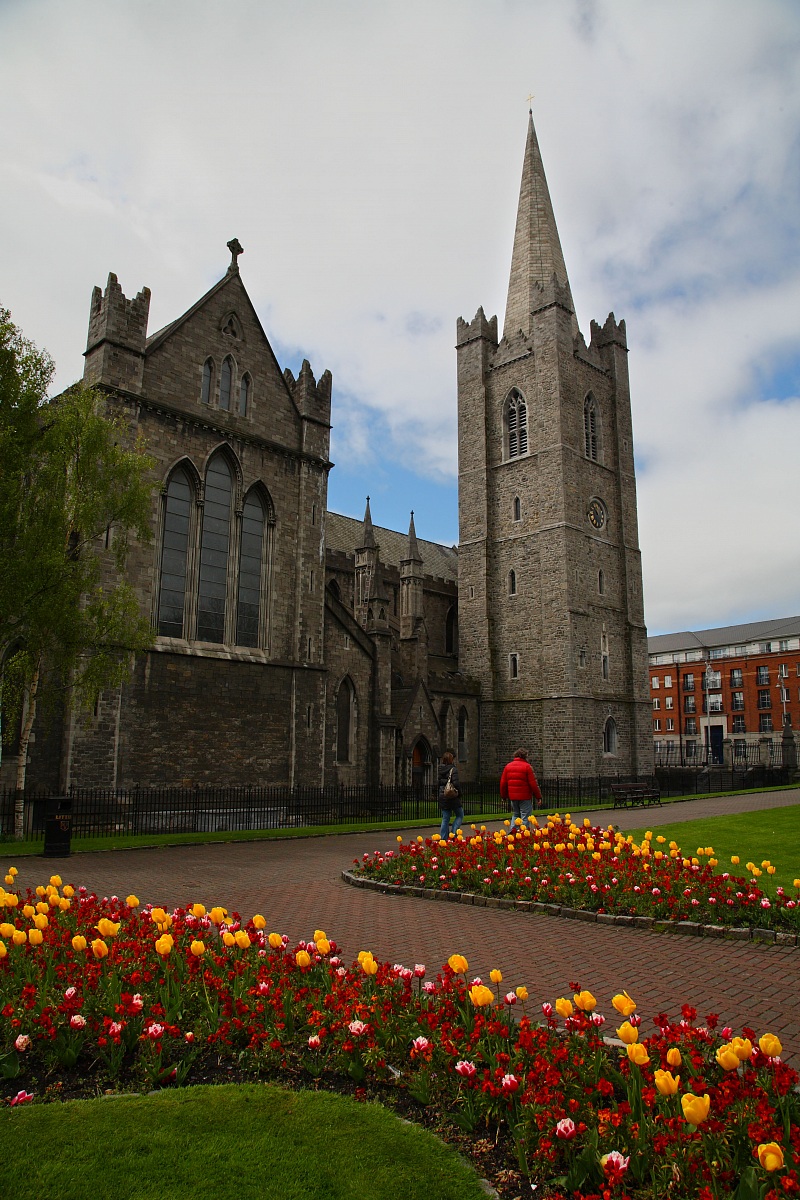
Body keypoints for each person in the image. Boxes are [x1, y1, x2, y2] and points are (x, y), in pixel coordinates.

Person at [499, 747, 542, 825]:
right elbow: (533, 784)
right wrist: (538, 797)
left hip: (513, 797)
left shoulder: (508, 766)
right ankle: (523, 834)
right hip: (525, 797)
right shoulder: (527, 767)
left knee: (516, 815)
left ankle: (513, 832)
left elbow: (503, 783)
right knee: (525, 816)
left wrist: (504, 796)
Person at [437, 750, 462, 839]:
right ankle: (454, 834)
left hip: (442, 795)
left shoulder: (440, 769)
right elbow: (456, 784)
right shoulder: (453, 769)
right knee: (460, 815)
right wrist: (459, 793)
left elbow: (439, 782)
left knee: (445, 818)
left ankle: (443, 839)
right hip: (452, 796)